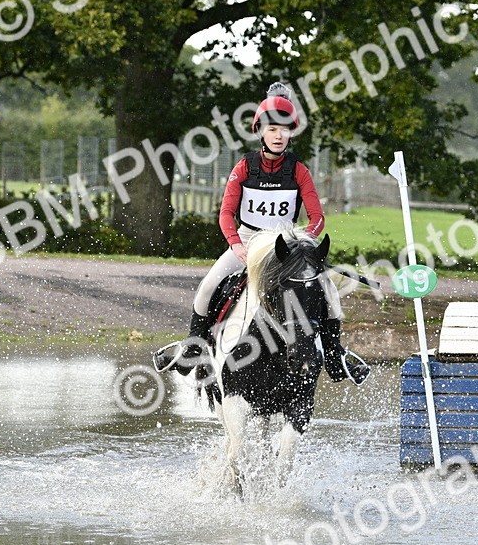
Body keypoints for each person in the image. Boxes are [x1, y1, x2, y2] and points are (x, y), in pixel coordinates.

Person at [153, 83, 370, 385]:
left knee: (329, 291)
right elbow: (226, 214)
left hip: (285, 249)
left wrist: (303, 245)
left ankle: (335, 356)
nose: (279, 135)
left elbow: (317, 218)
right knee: (208, 286)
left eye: (285, 130)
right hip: (248, 242)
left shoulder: (299, 171)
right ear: (261, 132)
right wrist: (235, 245)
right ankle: (193, 347)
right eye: (272, 129)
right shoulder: (244, 167)